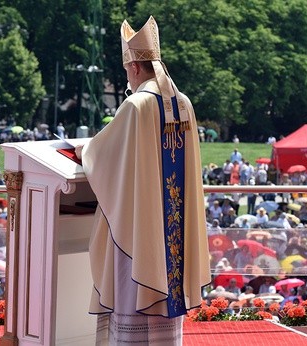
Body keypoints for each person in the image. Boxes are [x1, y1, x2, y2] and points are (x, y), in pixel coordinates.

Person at [75, 16, 210, 345]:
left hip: (139, 231)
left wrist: (84, 148)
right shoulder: (183, 103)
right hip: (173, 230)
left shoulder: (136, 105)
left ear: (134, 66)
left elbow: (103, 157)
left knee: (135, 293)